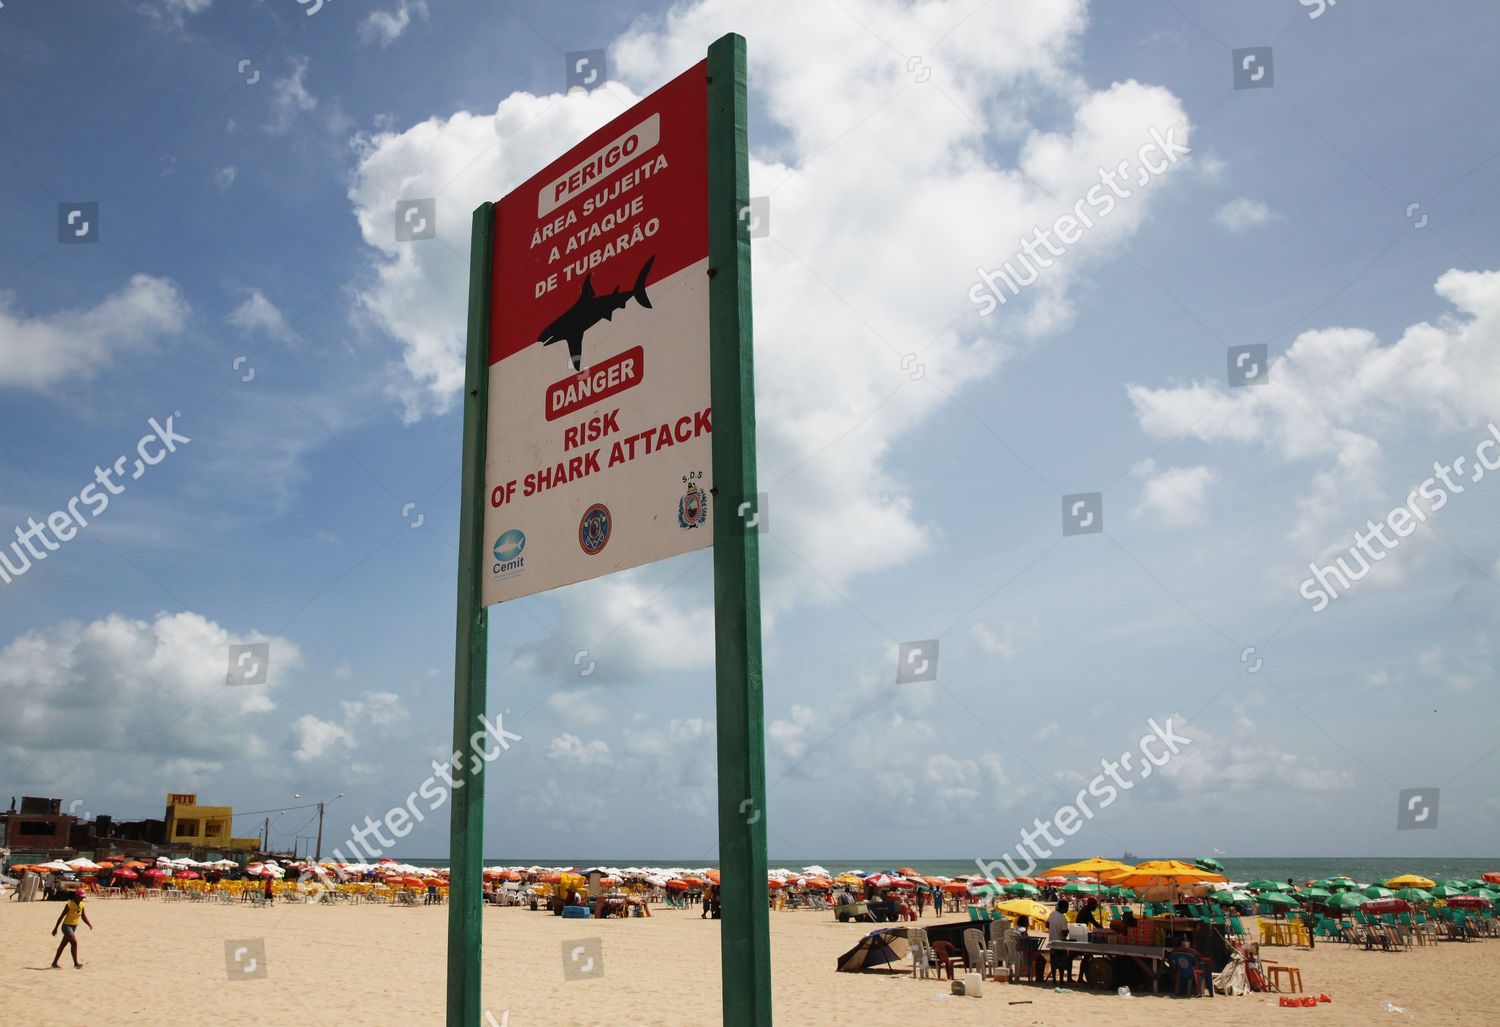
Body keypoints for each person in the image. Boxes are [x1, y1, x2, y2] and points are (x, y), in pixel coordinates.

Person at [51, 889, 92, 969]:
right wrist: (55, 928)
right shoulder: (69, 905)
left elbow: (83, 916)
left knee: (62, 945)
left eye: (83, 897)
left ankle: (54, 963)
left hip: (74, 927)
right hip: (66, 926)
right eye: (81, 897)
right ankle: (76, 963)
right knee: (74, 943)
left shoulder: (82, 905)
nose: (82, 898)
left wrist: (89, 924)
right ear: (76, 896)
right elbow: (61, 917)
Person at [1046, 899, 1072, 982]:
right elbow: (1064, 933)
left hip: (1052, 942)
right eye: (1067, 907)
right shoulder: (1063, 919)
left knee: (1053, 961)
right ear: (1063, 908)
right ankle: (1061, 979)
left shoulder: (1052, 914)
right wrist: (1067, 931)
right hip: (1061, 943)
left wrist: (1053, 929)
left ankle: (1054, 979)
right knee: (1061, 962)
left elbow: (1047, 924)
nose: (1067, 909)